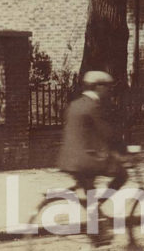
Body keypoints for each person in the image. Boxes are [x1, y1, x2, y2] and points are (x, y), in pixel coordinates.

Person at [58, 71, 128, 202]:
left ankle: (94, 212)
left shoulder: (75, 104)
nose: (109, 90)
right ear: (98, 87)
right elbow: (107, 133)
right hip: (86, 161)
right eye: (108, 87)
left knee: (89, 189)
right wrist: (123, 151)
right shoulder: (93, 106)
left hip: (68, 159)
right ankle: (100, 204)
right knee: (122, 174)